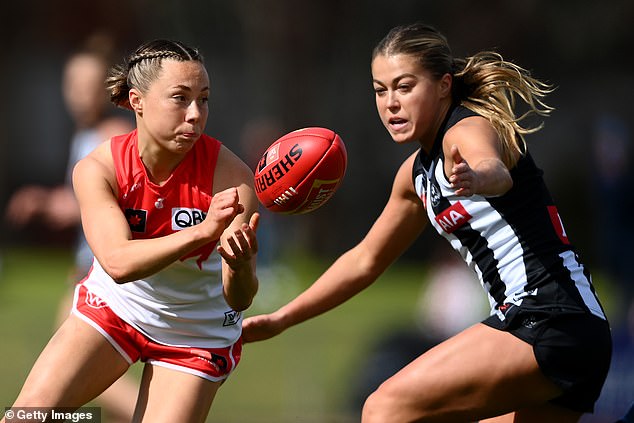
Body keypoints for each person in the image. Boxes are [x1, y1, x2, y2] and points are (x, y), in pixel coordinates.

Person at [243, 23, 612, 423]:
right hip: (574, 332)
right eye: (380, 90)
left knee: (384, 408)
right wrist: (283, 318)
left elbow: (493, 167)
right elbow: (365, 259)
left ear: (443, 85)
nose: (391, 104)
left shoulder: (468, 131)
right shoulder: (415, 176)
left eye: (404, 87)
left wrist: (479, 175)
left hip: (547, 317)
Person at [2, 39, 259, 423]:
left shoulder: (232, 177)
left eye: (203, 99)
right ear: (137, 101)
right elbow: (119, 264)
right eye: (180, 98)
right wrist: (203, 232)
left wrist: (238, 266)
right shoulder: (99, 167)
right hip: (117, 306)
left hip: (196, 330)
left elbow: (240, 299)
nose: (195, 114)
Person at [4, 35, 138, 423]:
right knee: (80, 370)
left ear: (109, 90)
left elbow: (94, 203)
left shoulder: (110, 135)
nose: (80, 95)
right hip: (91, 266)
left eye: (89, 86)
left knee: (75, 375)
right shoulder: (84, 134)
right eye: (73, 85)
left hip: (108, 270)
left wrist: (43, 202)